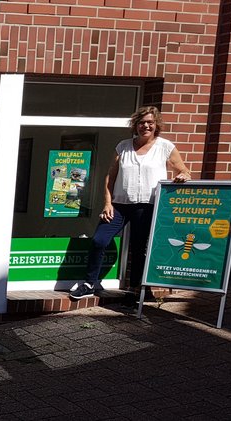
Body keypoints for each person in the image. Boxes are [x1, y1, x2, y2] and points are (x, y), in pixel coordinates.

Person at [70, 106, 191, 301]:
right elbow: (110, 176)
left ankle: (136, 290)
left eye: (150, 122)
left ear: (156, 125)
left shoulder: (165, 147)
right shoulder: (123, 146)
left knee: (139, 247)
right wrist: (107, 203)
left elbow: (184, 171)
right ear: (135, 125)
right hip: (119, 205)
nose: (146, 126)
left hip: (147, 205)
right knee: (99, 240)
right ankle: (89, 284)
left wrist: (183, 176)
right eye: (141, 122)